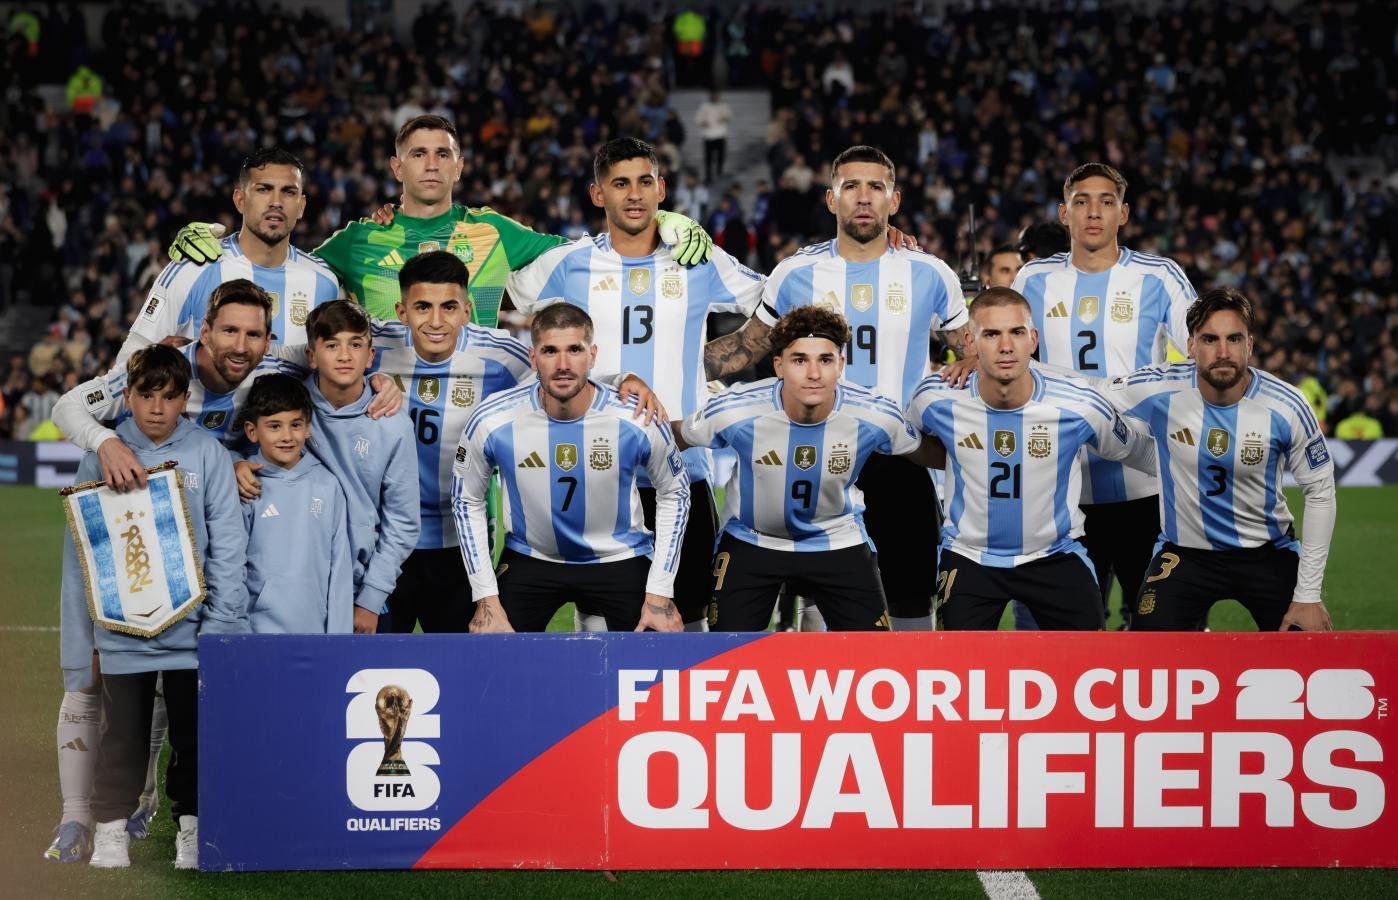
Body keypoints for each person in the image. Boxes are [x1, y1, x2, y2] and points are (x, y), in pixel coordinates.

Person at [701, 145, 970, 630]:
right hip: (812, 450)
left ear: (894, 200)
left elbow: (976, 353)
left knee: (911, 605)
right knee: (817, 599)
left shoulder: (930, 273)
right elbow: (747, 346)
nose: (863, 197)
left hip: (898, 455)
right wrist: (670, 372)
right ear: (831, 199)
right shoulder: (795, 272)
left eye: (876, 187)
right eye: (851, 186)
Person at [505, 137, 766, 631]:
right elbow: (493, 290)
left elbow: (774, 302)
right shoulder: (568, 262)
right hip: (599, 475)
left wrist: (706, 364)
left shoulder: (697, 259)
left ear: (661, 189)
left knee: (689, 621)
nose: (634, 194)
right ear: (597, 194)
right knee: (598, 624)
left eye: (645, 182)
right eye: (620, 183)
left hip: (683, 468)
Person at [169, 116, 714, 327]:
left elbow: (593, 250)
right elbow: (280, 257)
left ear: (459, 166)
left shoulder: (495, 232)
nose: (431, 164)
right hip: (382, 415)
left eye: (442, 154)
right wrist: (215, 236)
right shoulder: (359, 238)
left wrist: (664, 220)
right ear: (397, 167)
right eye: (418, 153)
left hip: (470, 416)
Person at [59, 345, 248, 869]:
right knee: (121, 736)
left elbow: (228, 545)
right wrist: (82, 645)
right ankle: (111, 827)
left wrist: (222, 625)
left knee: (194, 737)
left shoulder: (208, 453)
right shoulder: (102, 455)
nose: (157, 408)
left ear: (186, 399)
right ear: (128, 396)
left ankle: (191, 825)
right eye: (146, 396)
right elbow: (82, 556)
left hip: (193, 633)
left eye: (169, 397)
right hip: (122, 632)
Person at [907, 288, 1157, 631]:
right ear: (969, 341)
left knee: (1089, 661)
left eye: (1017, 332)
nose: (1005, 346)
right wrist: (958, 456)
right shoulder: (934, 397)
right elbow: (910, 442)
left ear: (1033, 339)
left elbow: (1140, 451)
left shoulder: (1080, 405)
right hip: (969, 557)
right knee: (958, 665)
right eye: (991, 334)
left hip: (1055, 556)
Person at [678, 305, 939, 632]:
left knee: (872, 652)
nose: (814, 373)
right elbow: (673, 437)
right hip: (752, 540)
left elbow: (931, 453)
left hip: (837, 538)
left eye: (825, 360)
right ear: (779, 365)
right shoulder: (734, 410)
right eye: (800, 360)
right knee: (726, 652)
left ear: (841, 365)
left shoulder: (876, 415)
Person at [1011, 163, 1195, 628]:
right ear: (1064, 214)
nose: (1093, 212)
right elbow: (1003, 355)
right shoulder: (1033, 279)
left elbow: (1202, 353)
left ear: (1123, 213)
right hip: (1060, 488)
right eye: (1082, 202)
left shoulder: (1160, 276)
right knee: (1066, 638)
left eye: (1106, 202)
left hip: (1145, 485)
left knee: (1160, 632)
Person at [1100, 287, 1337, 632]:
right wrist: (1131, 448)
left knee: (1307, 643)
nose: (1223, 352)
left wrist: (1309, 595)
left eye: (1234, 339)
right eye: (1210, 339)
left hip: (1267, 552)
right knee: (1148, 651)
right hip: (1185, 553)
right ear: (1191, 346)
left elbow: (1320, 491)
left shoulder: (1287, 405)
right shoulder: (1161, 387)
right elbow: (1091, 395)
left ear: (1249, 345)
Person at [452, 303, 689, 633]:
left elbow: (675, 492)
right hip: (532, 557)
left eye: (574, 350)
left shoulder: (637, 418)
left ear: (592, 356)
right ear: (533, 358)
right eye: (550, 351)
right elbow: (466, 500)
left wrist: (660, 593)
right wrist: (485, 598)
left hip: (620, 557)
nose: (563, 365)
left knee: (656, 647)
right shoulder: (493, 419)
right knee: (491, 649)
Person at [372, 251, 533, 632]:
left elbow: (563, 379)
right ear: (401, 311)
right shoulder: (371, 348)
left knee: (458, 663)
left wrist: (623, 379)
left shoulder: (501, 355)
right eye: (422, 307)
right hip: (383, 542)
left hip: (461, 543)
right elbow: (303, 362)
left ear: (467, 311)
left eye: (449, 307)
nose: (435, 321)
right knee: (374, 661)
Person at [119, 148, 342, 361]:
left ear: (301, 206)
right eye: (263, 189)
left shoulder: (324, 282)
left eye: (288, 192)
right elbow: (131, 358)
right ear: (240, 200)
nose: (276, 202)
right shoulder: (195, 265)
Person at [301, 300, 420, 634]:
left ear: (370, 356)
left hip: (360, 595)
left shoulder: (392, 424)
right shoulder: (289, 411)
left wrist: (370, 600)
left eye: (355, 344)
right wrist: (238, 463)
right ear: (311, 356)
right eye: (331, 345)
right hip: (294, 588)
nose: (344, 356)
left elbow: (403, 523)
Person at [239, 373, 354, 634]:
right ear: (252, 431)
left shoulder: (327, 485)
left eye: (295, 424)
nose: (287, 436)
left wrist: (339, 638)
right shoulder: (246, 485)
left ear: (308, 427)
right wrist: (239, 634)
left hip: (316, 633)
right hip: (257, 633)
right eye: (274, 426)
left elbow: (339, 567)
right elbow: (232, 566)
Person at [695, 89, 732, 184]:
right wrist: (703, 122)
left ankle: (719, 173)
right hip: (709, 136)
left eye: (717, 95)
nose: (715, 97)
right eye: (714, 95)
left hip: (720, 135)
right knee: (708, 158)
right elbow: (698, 119)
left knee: (721, 156)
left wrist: (724, 117)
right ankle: (708, 176)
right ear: (710, 96)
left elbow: (729, 116)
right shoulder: (705, 106)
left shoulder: (723, 106)